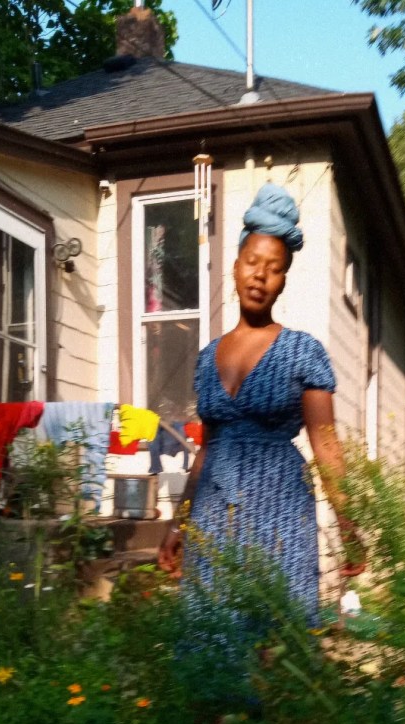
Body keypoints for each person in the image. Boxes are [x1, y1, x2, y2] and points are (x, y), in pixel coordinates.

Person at [157, 183, 365, 627]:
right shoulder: (207, 357)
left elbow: (326, 445)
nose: (260, 275)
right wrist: (179, 524)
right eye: (253, 262)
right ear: (235, 265)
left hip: (280, 512)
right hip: (214, 513)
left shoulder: (302, 352)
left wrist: (347, 526)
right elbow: (207, 450)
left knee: (277, 640)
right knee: (210, 635)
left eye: (274, 269)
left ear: (283, 280)